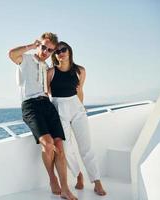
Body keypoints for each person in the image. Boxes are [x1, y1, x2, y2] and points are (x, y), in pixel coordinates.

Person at [8, 33, 77, 200]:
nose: (46, 51)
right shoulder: (24, 59)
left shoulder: (46, 67)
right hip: (30, 106)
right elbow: (11, 54)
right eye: (44, 47)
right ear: (39, 45)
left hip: (47, 104)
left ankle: (65, 189)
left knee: (59, 145)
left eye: (50, 50)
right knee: (48, 143)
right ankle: (52, 179)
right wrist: (32, 46)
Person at [47, 41, 107, 196]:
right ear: (55, 56)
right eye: (57, 51)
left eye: (63, 49)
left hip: (77, 107)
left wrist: (81, 106)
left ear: (69, 51)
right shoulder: (50, 72)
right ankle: (78, 175)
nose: (61, 53)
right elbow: (47, 94)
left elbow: (80, 91)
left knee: (86, 146)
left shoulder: (80, 71)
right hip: (59, 109)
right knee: (66, 149)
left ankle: (96, 181)